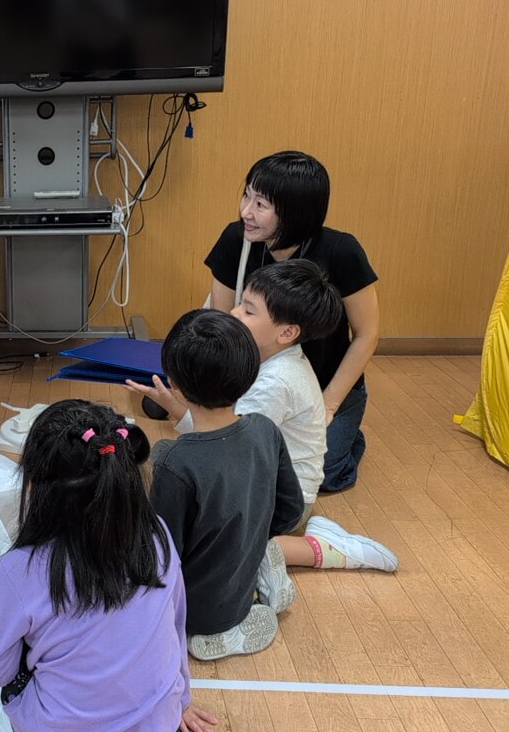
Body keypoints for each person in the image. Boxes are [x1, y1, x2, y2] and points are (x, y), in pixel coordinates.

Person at [132, 262, 398, 615]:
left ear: (286, 332)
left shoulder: (274, 383)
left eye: (248, 310)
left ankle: (326, 551)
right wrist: (174, 407)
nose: (233, 313)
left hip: (283, 498)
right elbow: (224, 436)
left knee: (216, 544)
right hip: (267, 478)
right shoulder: (268, 360)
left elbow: (225, 445)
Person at [0, 399, 218, 732]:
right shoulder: (156, 534)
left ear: (35, 486)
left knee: (1, 698)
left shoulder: (20, 570)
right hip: (159, 722)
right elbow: (176, 624)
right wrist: (180, 700)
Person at [206, 151, 379, 493]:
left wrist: (329, 405)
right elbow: (222, 323)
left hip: (322, 386)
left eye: (260, 204)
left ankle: (348, 436)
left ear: (295, 213)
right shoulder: (236, 239)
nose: (246, 212)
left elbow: (367, 335)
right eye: (246, 196)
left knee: (321, 475)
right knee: (245, 458)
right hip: (259, 380)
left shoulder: (342, 251)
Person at [149, 309, 304, 660]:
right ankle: (262, 562)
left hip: (199, 612)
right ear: (251, 373)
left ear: (174, 383)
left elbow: (161, 557)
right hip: (241, 575)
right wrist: (254, 537)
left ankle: (224, 632)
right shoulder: (265, 429)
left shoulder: (175, 464)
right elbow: (291, 510)